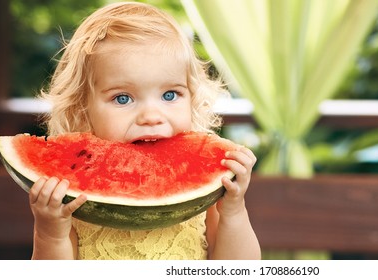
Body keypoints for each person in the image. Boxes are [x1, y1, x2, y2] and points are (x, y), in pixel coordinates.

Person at [29, 1, 260, 260]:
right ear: (83, 108)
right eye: (123, 98)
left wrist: (234, 212)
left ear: (192, 96)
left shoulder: (208, 196)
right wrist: (51, 233)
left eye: (170, 94)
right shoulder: (72, 195)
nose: (151, 116)